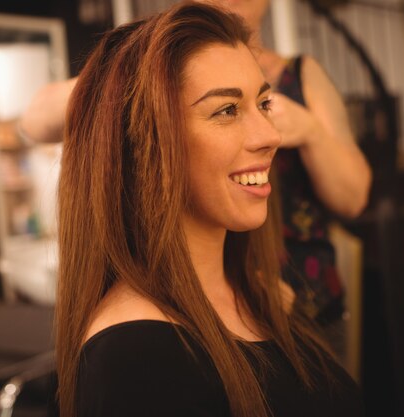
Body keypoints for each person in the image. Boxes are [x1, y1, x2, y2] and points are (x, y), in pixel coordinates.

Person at [56, 2, 362, 417]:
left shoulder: (261, 294)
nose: (269, 135)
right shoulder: (135, 356)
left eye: (264, 104)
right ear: (143, 144)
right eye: (227, 110)